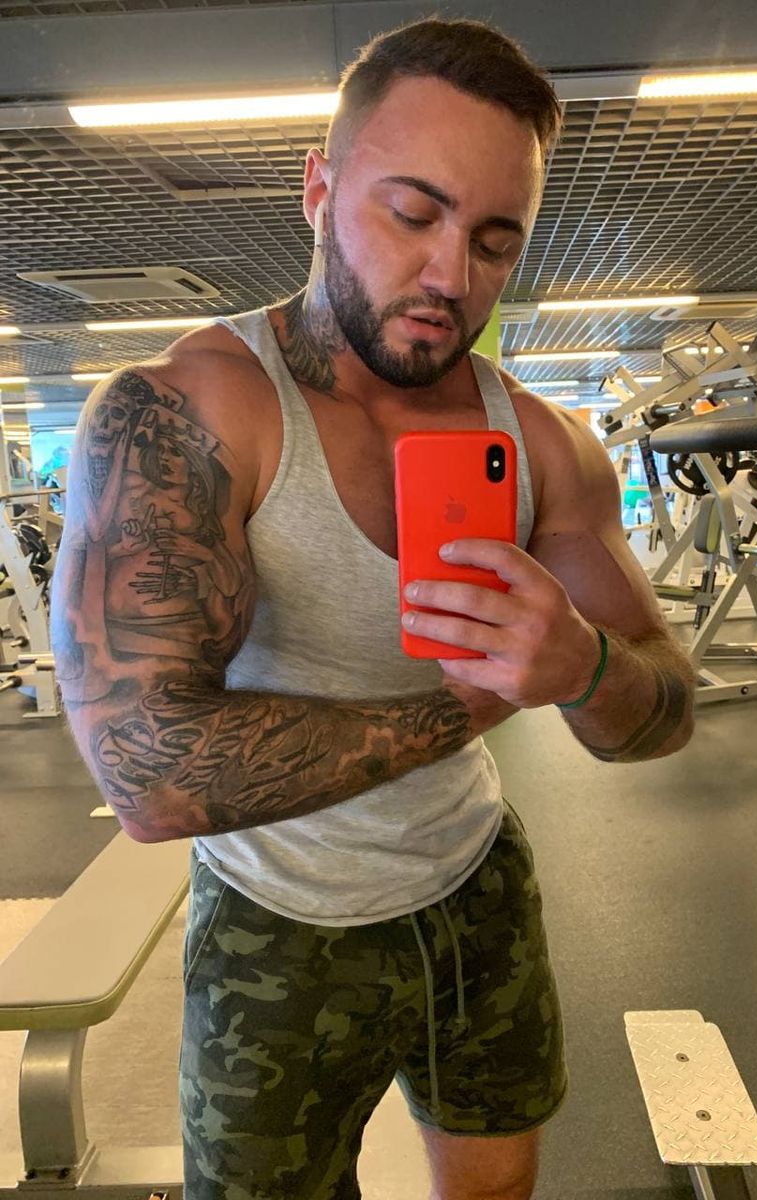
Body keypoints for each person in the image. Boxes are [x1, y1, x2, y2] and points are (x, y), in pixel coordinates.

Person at [51, 17, 696, 1200]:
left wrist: (586, 667)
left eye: (495, 241)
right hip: (275, 921)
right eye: (413, 213)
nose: (451, 276)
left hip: (473, 883)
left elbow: (663, 711)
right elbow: (148, 774)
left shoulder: (544, 443)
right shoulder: (191, 411)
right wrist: (469, 706)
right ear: (319, 190)